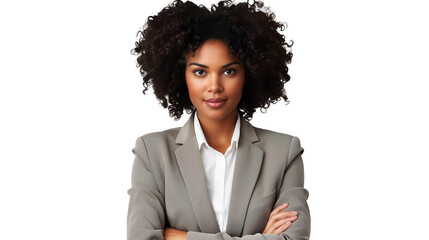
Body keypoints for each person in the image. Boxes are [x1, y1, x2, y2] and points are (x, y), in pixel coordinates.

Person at [127, 1, 311, 240]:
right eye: (200, 72)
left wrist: (177, 236)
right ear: (182, 75)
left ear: (249, 73)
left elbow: (293, 238)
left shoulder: (284, 152)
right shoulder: (152, 153)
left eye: (229, 71)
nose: (214, 86)